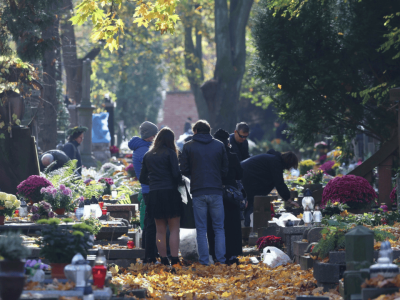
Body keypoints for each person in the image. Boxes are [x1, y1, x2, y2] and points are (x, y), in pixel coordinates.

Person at [180, 120, 229, 265]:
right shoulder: (219, 145)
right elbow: (225, 168)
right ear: (209, 131)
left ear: (195, 131)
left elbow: (184, 169)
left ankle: (204, 261)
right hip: (216, 190)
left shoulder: (188, 146)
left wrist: (194, 176)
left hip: (198, 190)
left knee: (201, 229)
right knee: (219, 227)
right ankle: (220, 259)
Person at [139, 127, 182, 266]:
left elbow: (142, 178)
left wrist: (153, 182)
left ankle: (163, 258)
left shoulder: (148, 155)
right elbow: (176, 175)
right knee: (174, 228)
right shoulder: (170, 153)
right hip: (170, 193)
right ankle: (174, 259)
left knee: (159, 230)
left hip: (155, 194)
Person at [207, 129, 243, 265]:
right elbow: (240, 174)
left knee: (214, 224)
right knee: (232, 224)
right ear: (227, 141)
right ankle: (231, 255)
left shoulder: (211, 156)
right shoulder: (232, 155)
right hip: (231, 194)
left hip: (215, 191)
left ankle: (216, 254)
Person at [241, 150, 299, 227]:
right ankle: (248, 229)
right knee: (252, 203)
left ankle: (248, 228)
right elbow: (279, 182)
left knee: (251, 203)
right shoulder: (276, 162)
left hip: (245, 174)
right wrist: (288, 199)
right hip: (247, 177)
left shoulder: (274, 159)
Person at [128, 121, 158, 263]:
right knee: (151, 224)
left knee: (149, 222)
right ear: (150, 136)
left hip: (147, 189)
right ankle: (150, 255)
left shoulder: (140, 148)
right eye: (155, 135)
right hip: (150, 189)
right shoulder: (145, 151)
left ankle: (149, 254)